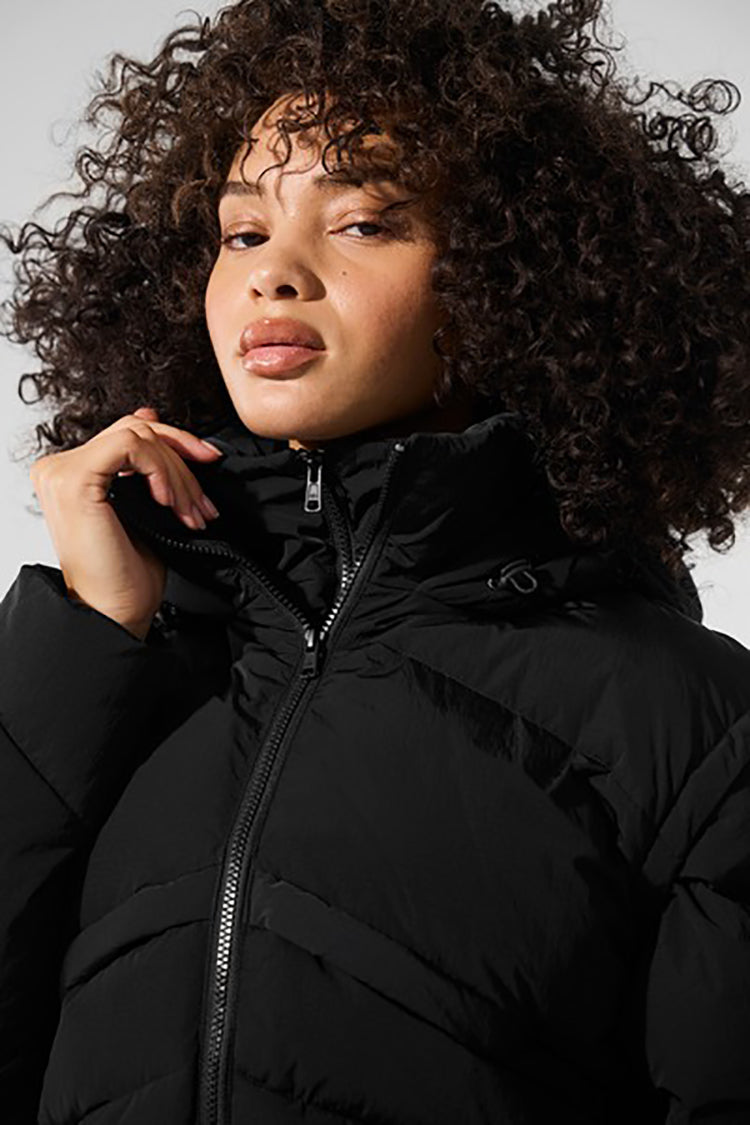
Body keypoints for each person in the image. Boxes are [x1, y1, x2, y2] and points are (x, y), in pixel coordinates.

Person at [0, 0, 749, 1121]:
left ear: (509, 277)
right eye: (243, 233)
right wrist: (86, 637)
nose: (275, 273)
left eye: (361, 222)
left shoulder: (693, 725)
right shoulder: (114, 672)